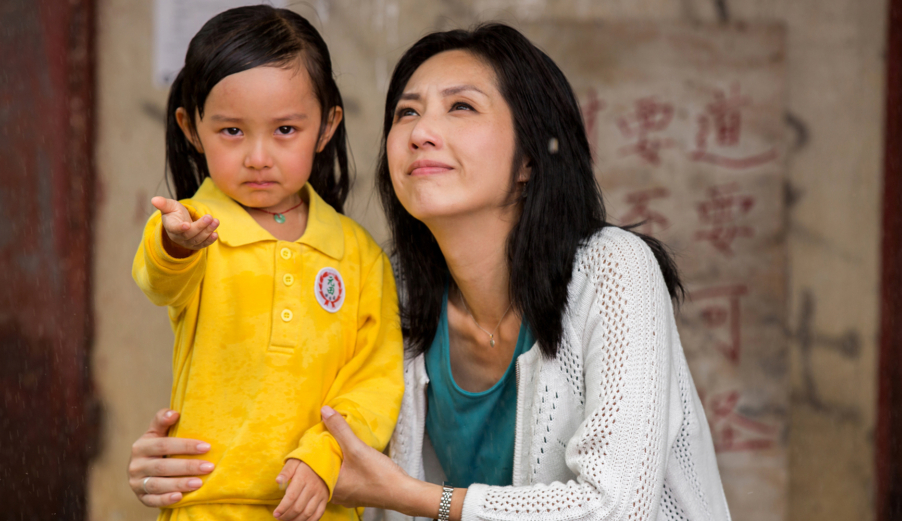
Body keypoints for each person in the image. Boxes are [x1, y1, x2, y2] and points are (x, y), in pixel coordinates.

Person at [129, 23, 731, 521]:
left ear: (529, 156)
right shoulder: (393, 288)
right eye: (407, 113)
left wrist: (414, 498)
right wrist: (182, 464)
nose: (421, 132)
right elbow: (306, 417)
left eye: (461, 107)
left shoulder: (614, 270)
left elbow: (615, 508)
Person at [129, 6, 403, 521]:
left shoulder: (359, 254)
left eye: (284, 130)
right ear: (192, 128)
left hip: (320, 508)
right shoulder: (191, 226)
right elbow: (158, 277)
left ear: (325, 128)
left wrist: (325, 456)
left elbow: (375, 381)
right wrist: (179, 244)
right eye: (232, 131)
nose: (258, 156)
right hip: (205, 506)